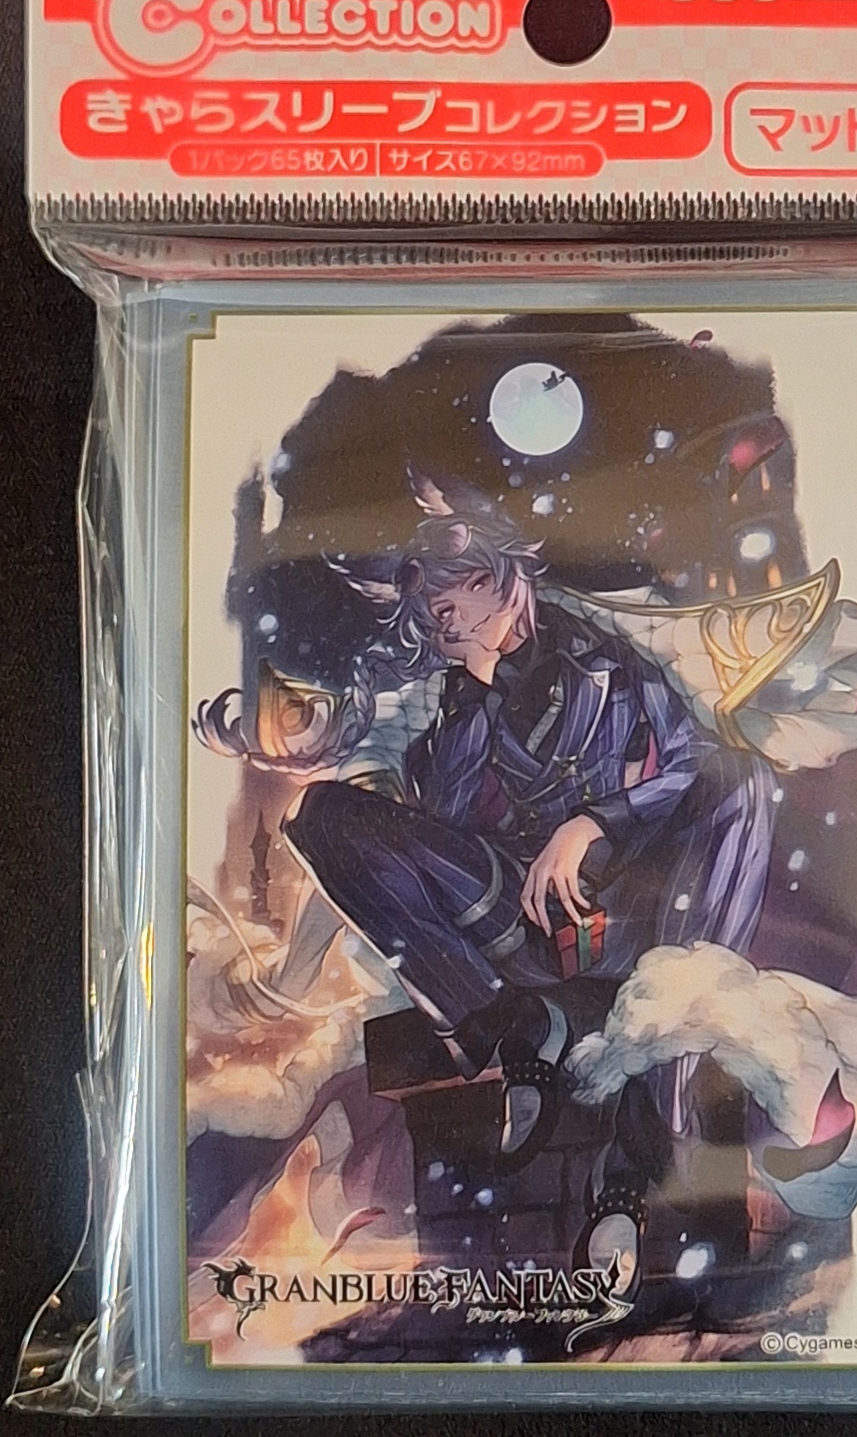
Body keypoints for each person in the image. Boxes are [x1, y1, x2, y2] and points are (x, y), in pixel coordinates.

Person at [280, 493, 780, 1291]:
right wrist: (474, 703)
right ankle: (509, 1026)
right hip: (514, 916)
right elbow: (442, 825)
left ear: (493, 581)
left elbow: (694, 764)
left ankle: (625, 1190)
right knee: (322, 815)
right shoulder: (456, 698)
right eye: (429, 617)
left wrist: (592, 824)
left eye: (447, 608)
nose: (438, 628)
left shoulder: (604, 662)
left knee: (739, 781)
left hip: (629, 918)